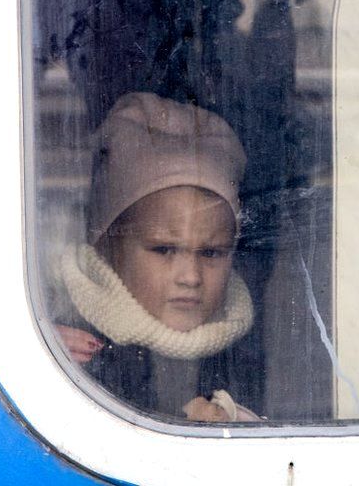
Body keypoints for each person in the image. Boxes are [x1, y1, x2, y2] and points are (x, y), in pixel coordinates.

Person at [52, 92, 260, 422]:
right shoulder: (60, 345)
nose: (190, 276)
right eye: (163, 249)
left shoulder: (248, 349)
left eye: (211, 253)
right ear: (109, 249)